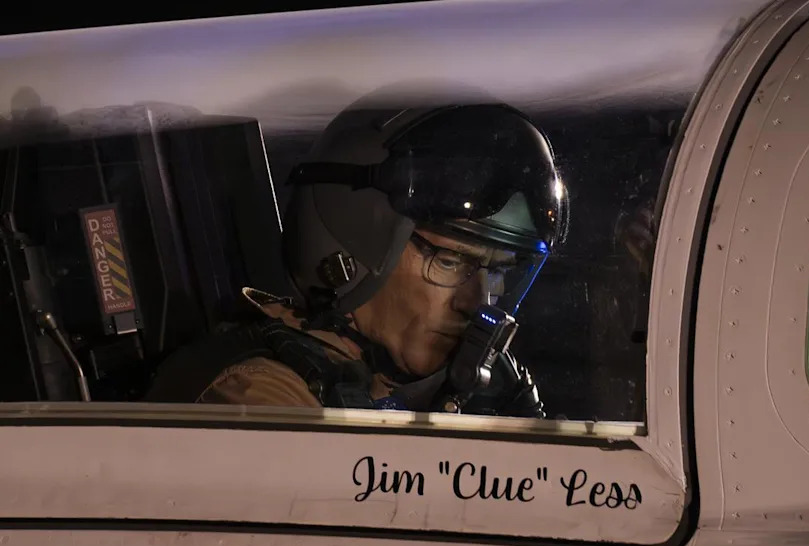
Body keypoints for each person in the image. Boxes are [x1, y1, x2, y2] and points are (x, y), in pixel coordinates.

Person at [145, 96, 568, 418]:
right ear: (353, 246)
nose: (477, 303)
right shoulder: (261, 398)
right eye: (450, 261)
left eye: (497, 271)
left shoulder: (433, 389)